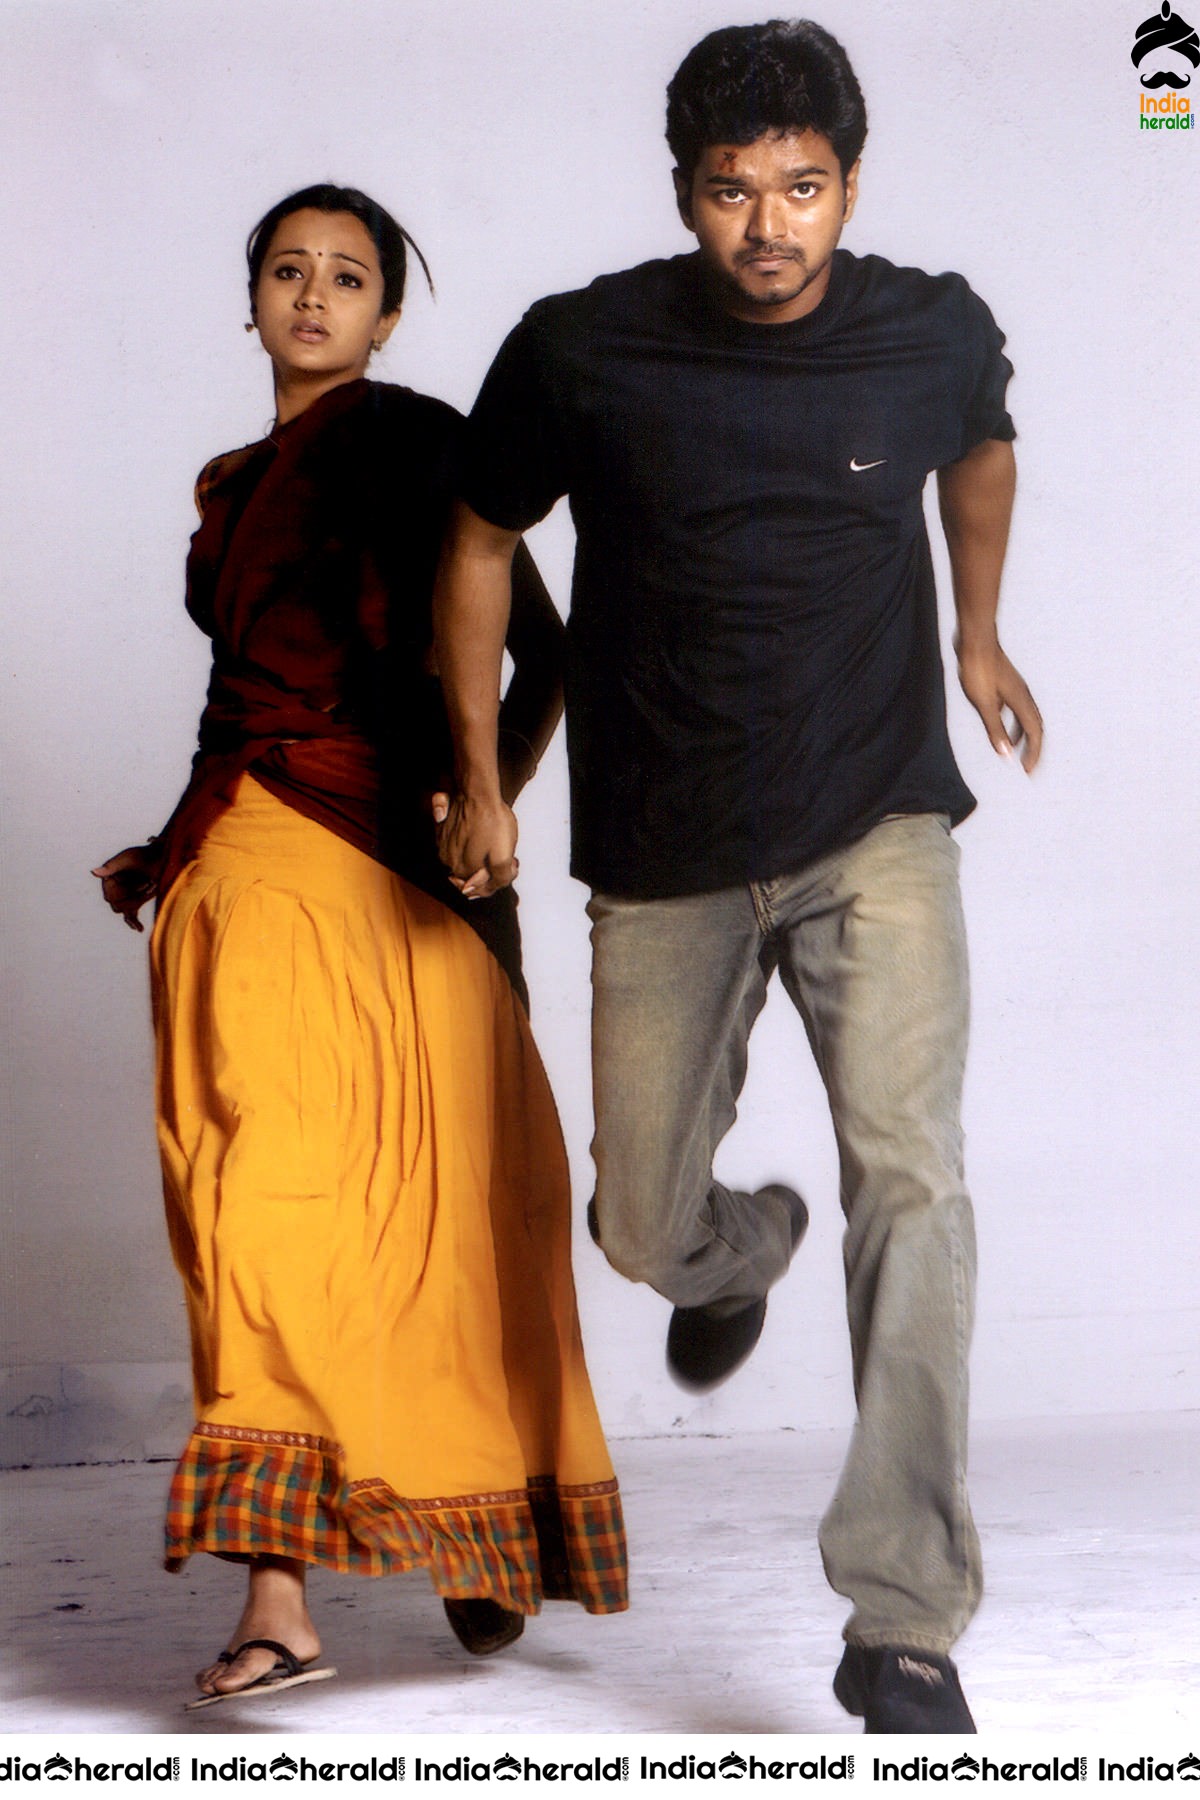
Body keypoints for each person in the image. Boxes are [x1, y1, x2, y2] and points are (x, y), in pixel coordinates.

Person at [432, 22, 1042, 1735]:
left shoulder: (931, 327)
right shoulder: (582, 348)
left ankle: (903, 1620)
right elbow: (477, 536)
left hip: (875, 825)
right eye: (731, 191)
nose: (769, 227)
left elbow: (981, 443)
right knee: (637, 1222)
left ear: (850, 182)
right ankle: (739, 1252)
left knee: (913, 1182)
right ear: (682, 191)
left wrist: (978, 632)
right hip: (666, 848)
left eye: (802, 187)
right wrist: (480, 771)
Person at [93, 183, 628, 1708]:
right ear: (252, 297)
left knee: (461, 1203)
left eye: (347, 277)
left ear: (387, 316)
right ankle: (281, 1598)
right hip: (252, 863)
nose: (314, 296)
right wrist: (184, 844)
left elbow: (551, 652)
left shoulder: (420, 440)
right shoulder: (233, 483)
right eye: (289, 270)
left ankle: (476, 1512)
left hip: (408, 868)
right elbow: (252, 691)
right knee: (257, 1203)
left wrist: (483, 795)